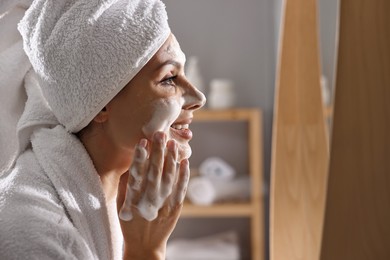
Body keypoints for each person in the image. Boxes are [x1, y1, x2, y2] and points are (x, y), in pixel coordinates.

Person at [0, 0, 206, 259]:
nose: (198, 97)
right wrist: (146, 250)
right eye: (168, 78)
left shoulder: (112, 193)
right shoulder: (31, 234)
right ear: (99, 105)